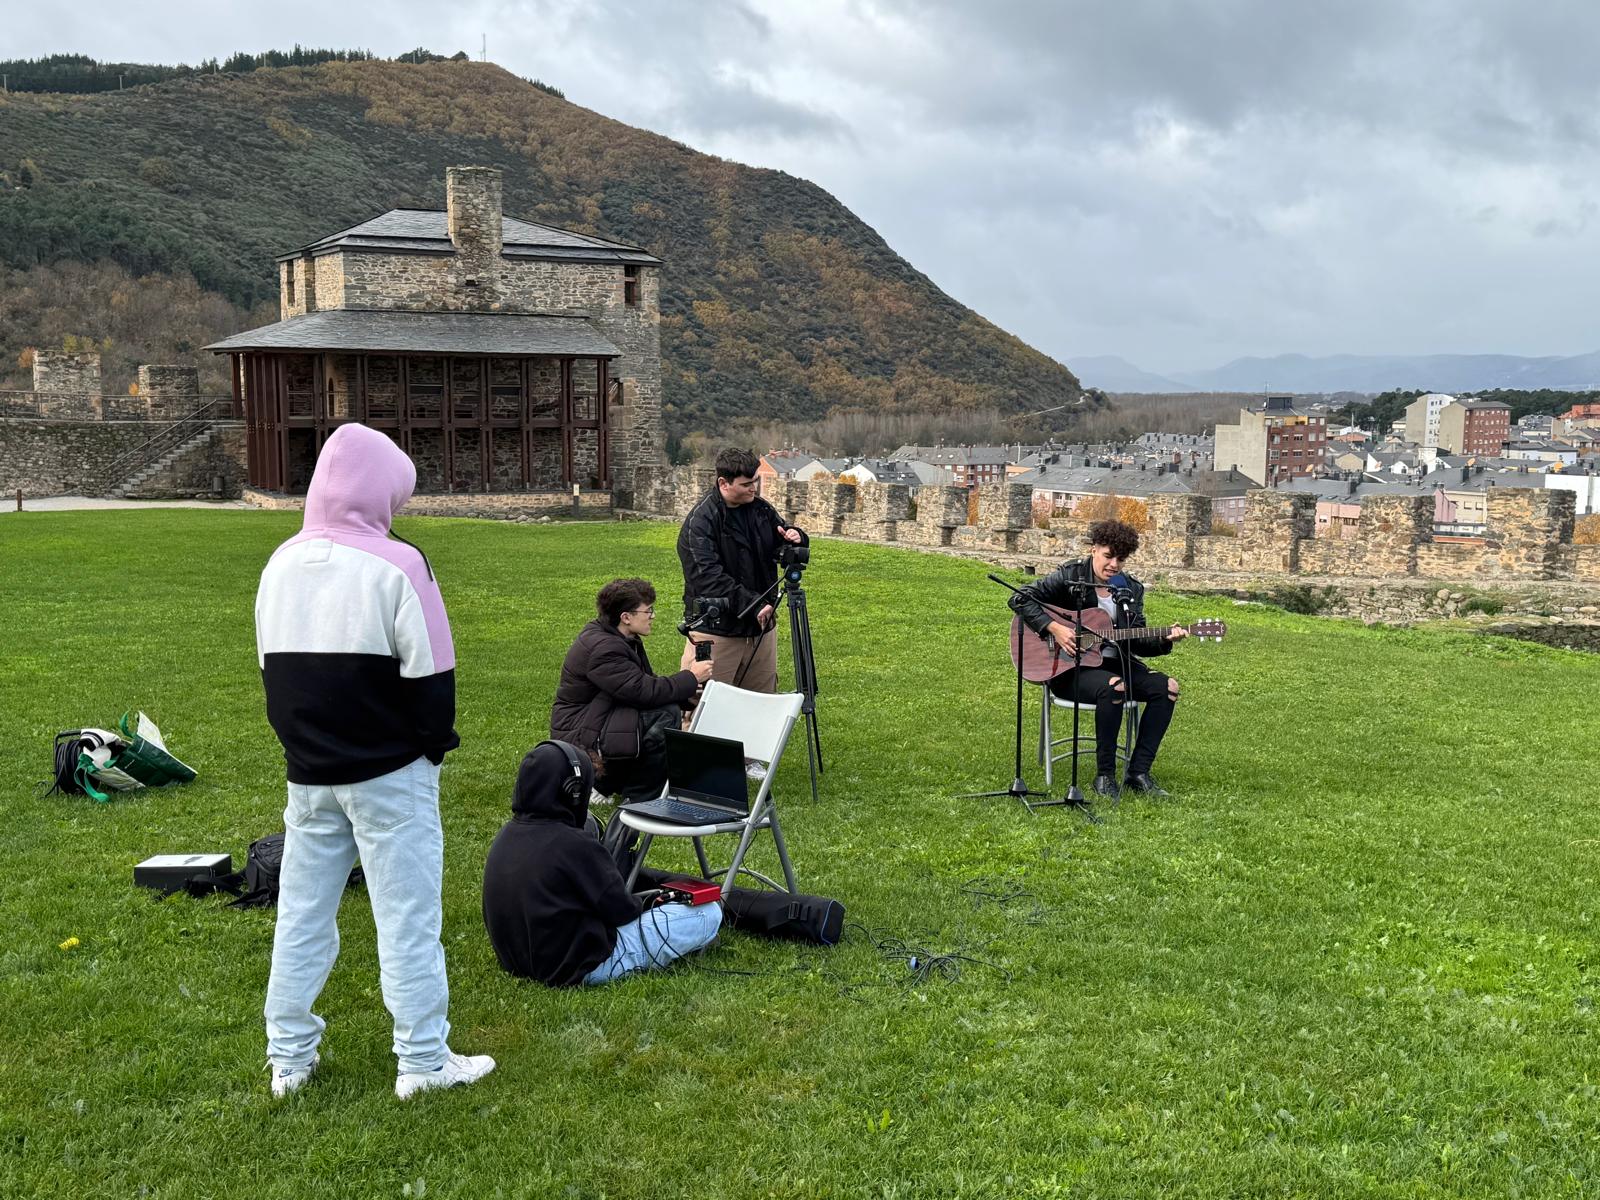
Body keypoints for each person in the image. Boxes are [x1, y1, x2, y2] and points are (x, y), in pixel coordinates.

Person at [254, 422, 494, 1100]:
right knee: (407, 916)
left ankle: (289, 1058)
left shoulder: (279, 564)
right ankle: (421, 1060)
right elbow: (433, 677)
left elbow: (273, 673)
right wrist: (430, 748)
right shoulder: (400, 565)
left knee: (302, 914)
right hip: (391, 771)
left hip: (309, 774)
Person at [482, 741, 724, 986]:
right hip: (583, 966)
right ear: (573, 792)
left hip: (516, 961)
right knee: (708, 912)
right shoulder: (575, 845)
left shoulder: (506, 835)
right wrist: (652, 901)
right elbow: (623, 912)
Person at [1008, 518, 1189, 800]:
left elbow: (1136, 639)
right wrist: (1054, 627)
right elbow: (1020, 599)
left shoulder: (1129, 588)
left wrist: (1164, 639)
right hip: (1069, 667)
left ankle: (1138, 773)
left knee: (1167, 688)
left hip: (1116, 663)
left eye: (1121, 559)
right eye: (1108, 556)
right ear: (1094, 550)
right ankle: (1105, 776)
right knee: (1114, 686)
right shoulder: (1071, 575)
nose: (1114, 564)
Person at [550, 578, 713, 802]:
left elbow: (643, 684)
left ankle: (621, 783)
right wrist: (691, 677)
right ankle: (625, 790)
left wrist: (689, 694)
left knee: (665, 708)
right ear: (626, 617)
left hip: (601, 716)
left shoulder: (620, 637)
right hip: (582, 730)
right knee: (665, 715)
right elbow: (642, 691)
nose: (653, 616)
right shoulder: (604, 649)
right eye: (648, 611)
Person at [676, 447, 808, 694]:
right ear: (723, 483)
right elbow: (708, 578)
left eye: (756, 481)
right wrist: (754, 603)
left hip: (760, 630)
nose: (754, 488)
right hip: (717, 631)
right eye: (747, 484)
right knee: (706, 710)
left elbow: (781, 541)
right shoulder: (700, 523)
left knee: (760, 706)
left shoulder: (761, 510)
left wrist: (795, 537)